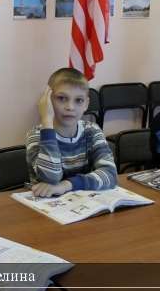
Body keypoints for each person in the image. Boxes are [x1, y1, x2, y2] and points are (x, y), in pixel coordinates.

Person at [25, 68, 117, 198]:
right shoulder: (37, 135)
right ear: (48, 101)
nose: (70, 107)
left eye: (78, 100)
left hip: (84, 204)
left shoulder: (92, 131)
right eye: (62, 98)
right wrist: (46, 120)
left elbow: (110, 174)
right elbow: (50, 179)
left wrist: (65, 185)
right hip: (46, 206)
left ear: (86, 104)